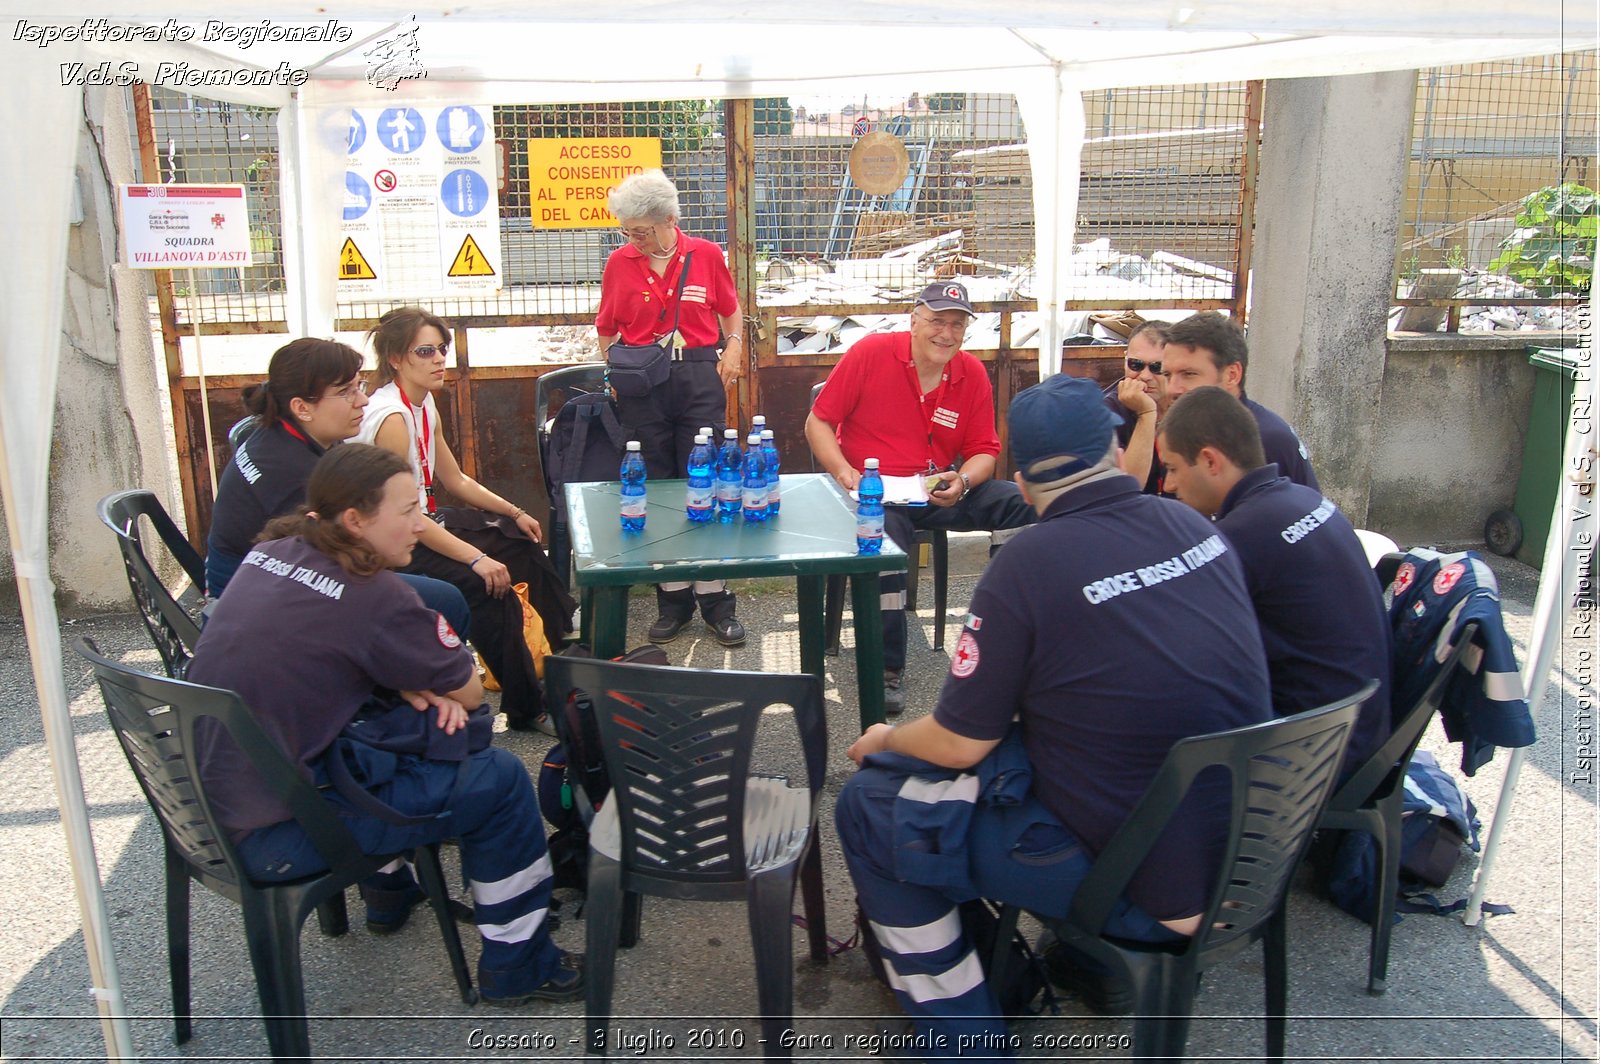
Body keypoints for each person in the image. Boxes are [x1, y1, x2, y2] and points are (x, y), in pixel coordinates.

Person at [835, 374, 1272, 1056]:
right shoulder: (1192, 523)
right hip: (1253, 863)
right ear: (1112, 446)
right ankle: (1066, 967)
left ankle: (964, 1040)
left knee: (870, 805)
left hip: (1138, 887)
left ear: (1021, 477)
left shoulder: (1029, 564)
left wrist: (887, 735)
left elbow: (957, 741)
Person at [188, 444, 582, 1005]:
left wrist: (394, 680)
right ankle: (520, 965)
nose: (419, 526)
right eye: (406, 512)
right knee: (496, 777)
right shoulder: (375, 598)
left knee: (386, 725)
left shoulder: (274, 549)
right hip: (277, 836)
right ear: (355, 520)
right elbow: (468, 692)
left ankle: (390, 891)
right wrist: (411, 681)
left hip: (203, 809)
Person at [806, 281, 1035, 714]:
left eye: (957, 325)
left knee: (1025, 503)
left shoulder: (971, 373)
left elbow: (985, 449)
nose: (946, 334)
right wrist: (844, 472)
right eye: (937, 321)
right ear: (914, 319)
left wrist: (963, 482)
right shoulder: (870, 353)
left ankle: (1009, 630)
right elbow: (817, 423)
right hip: (874, 491)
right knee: (884, 539)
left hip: (935, 488)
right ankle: (886, 667)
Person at [357, 306, 575, 735]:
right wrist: (476, 558)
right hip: (395, 539)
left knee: (519, 540)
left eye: (442, 349)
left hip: (425, 517)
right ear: (397, 359)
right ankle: (526, 707)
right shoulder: (390, 418)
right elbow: (408, 518)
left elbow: (453, 478)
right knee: (487, 585)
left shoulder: (422, 404)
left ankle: (558, 654)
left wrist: (514, 512)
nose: (439, 359)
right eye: (425, 351)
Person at [1159, 385, 1392, 772]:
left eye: (1171, 468)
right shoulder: (1307, 500)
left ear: (1210, 461)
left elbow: (1181, 651)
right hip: (1366, 727)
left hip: (1317, 757)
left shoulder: (1239, 538)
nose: (1168, 486)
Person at [205, 337, 469, 639]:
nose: (363, 401)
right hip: (256, 602)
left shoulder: (288, 433)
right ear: (302, 407)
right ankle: (421, 679)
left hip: (282, 569)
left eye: (360, 386)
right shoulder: (291, 471)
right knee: (445, 600)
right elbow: (342, 557)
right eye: (346, 392)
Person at [594, 169, 746, 647]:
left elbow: (729, 307)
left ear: (668, 220)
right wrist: (619, 370)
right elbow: (605, 327)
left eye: (641, 231)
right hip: (645, 383)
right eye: (628, 232)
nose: (634, 240)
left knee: (705, 482)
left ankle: (716, 600)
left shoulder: (703, 254)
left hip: (699, 374)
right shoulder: (620, 263)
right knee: (657, 485)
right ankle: (672, 598)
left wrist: (736, 345)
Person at [1161, 311, 1320, 490]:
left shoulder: (1266, 440)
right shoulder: (1185, 429)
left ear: (1232, 375)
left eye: (1189, 374)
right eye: (1167, 375)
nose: (1172, 389)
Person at [1102, 319, 1169, 493]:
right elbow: (1127, 489)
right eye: (1136, 365)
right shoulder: (1107, 411)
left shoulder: (1187, 402)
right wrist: (1146, 414)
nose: (1145, 376)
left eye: (1157, 367)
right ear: (1125, 360)